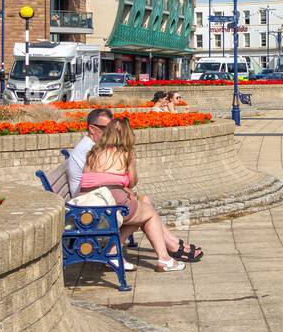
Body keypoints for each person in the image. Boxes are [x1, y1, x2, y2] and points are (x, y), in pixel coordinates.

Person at [67, 108, 202, 263]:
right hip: (97, 206)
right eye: (106, 128)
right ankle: (163, 258)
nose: (108, 132)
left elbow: (98, 179)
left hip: (89, 201)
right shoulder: (114, 151)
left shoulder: (93, 150)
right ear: (92, 129)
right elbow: (132, 181)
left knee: (142, 203)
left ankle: (170, 244)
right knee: (145, 212)